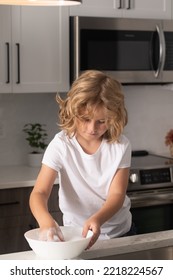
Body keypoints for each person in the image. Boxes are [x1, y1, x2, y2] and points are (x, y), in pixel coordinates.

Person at [29, 70, 133, 248]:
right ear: (72, 111)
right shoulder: (61, 145)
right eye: (85, 119)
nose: (92, 128)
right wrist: (45, 222)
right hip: (76, 235)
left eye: (102, 121)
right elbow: (39, 193)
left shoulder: (120, 145)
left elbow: (117, 195)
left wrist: (97, 219)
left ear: (114, 117)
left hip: (119, 232)